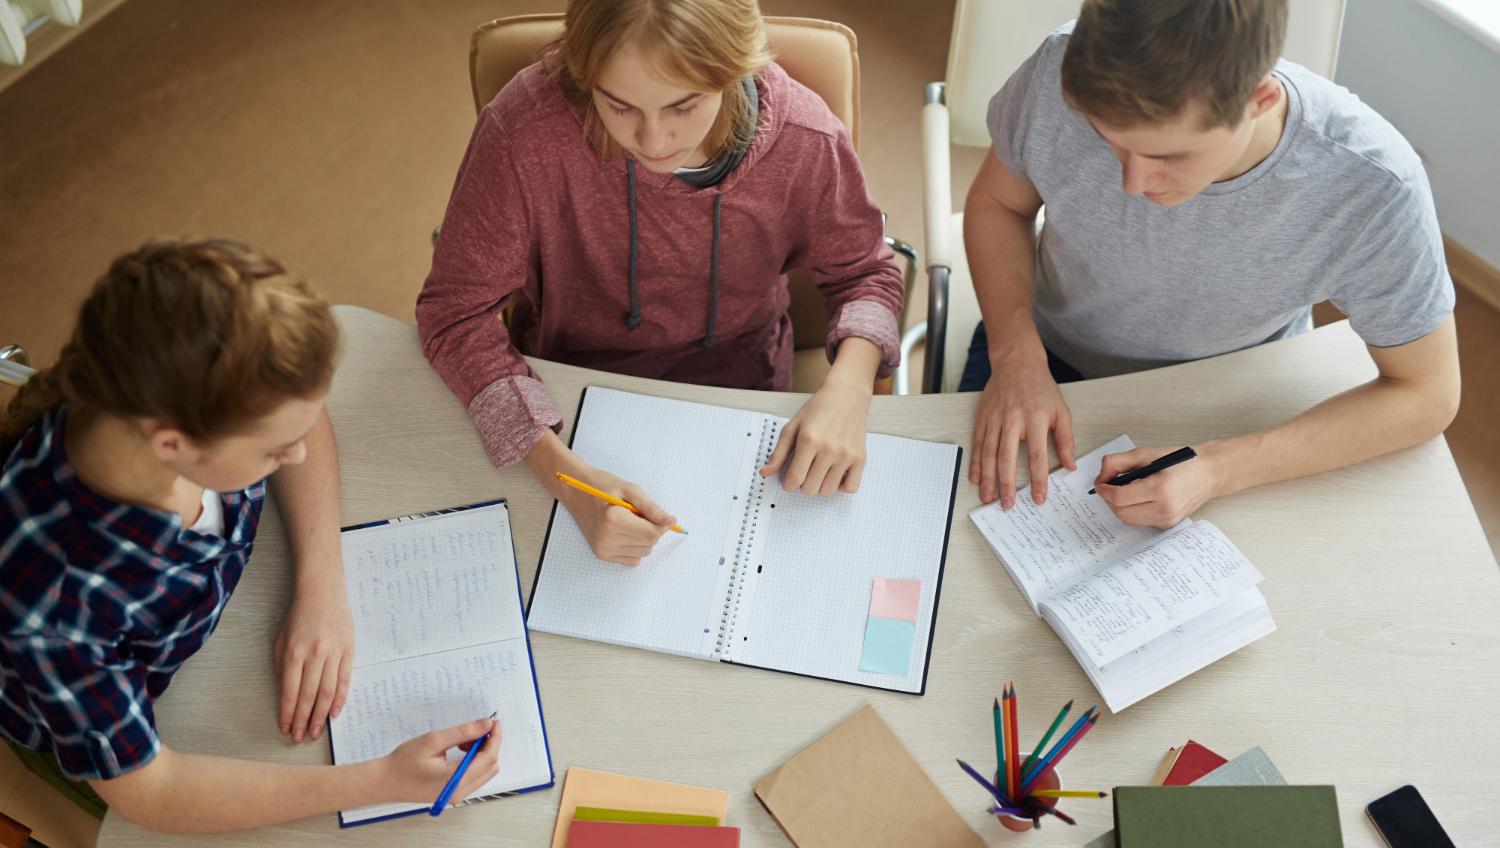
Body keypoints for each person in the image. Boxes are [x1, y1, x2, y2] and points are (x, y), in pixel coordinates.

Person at [0, 239, 501, 843]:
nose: (296, 453)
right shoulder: (56, 615)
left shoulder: (184, 400)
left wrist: (321, 585)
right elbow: (154, 791)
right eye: (272, 450)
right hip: (131, 725)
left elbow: (302, 417)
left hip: (231, 619)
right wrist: (378, 781)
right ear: (172, 446)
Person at [417, 0, 905, 566]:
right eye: (617, 104)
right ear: (583, 75)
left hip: (742, 387)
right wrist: (568, 481)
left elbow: (866, 272)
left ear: (735, 66)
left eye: (684, 105)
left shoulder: (805, 138)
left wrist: (849, 387)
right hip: (564, 394)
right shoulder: (524, 133)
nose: (652, 142)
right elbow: (454, 315)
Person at [962, 0, 1459, 527]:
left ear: (1259, 100)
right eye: (1108, 141)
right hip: (1045, 359)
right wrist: (1016, 356)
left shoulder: (1373, 186)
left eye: (1171, 156)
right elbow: (999, 204)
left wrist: (1221, 468)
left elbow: (1427, 394)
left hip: (1241, 399)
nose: (1133, 184)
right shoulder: (1059, 73)